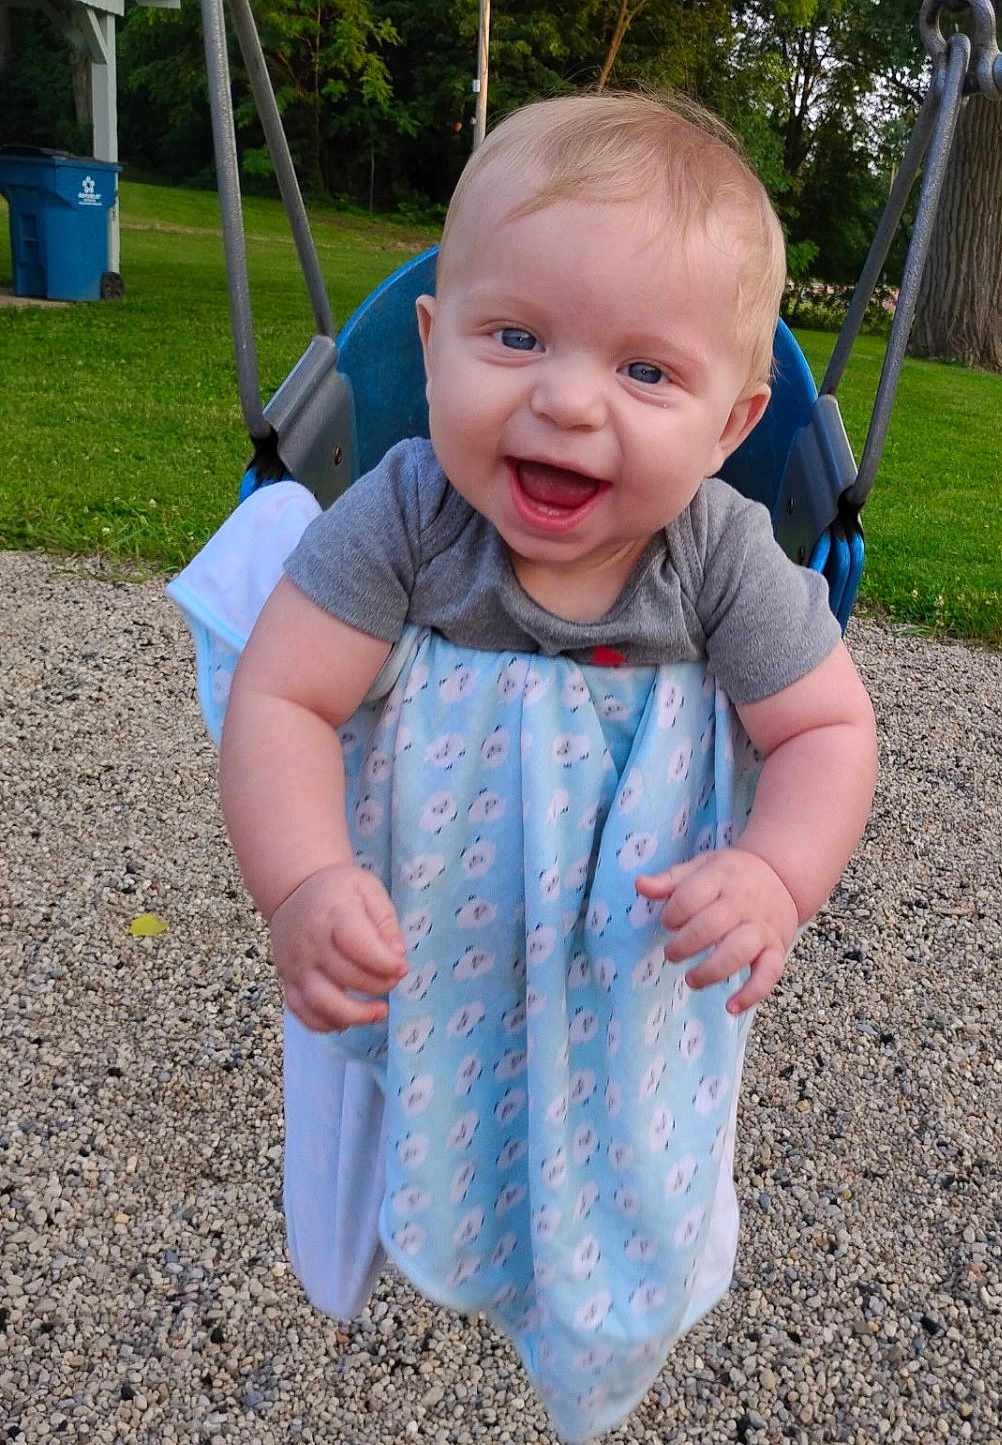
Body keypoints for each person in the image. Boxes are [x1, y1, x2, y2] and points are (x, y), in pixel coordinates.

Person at [196, 91, 875, 1441]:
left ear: (732, 424)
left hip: (632, 952)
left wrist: (775, 874)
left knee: (622, 1159)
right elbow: (281, 694)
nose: (564, 400)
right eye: (514, 338)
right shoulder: (404, 511)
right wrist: (302, 882)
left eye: (644, 373)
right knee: (434, 1102)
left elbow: (824, 731)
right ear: (436, 346)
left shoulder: (723, 556)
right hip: (437, 937)